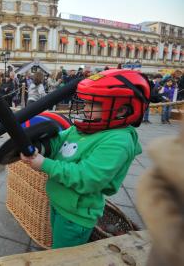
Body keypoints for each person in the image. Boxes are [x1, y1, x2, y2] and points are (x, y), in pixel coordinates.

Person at [20, 69, 150, 249]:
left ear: (121, 109)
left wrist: (44, 164)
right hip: (60, 202)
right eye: (86, 102)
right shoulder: (89, 126)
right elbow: (60, 141)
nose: (86, 108)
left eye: (94, 103)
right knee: (58, 246)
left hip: (76, 215)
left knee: (64, 258)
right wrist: (40, 148)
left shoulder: (118, 140)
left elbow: (88, 177)